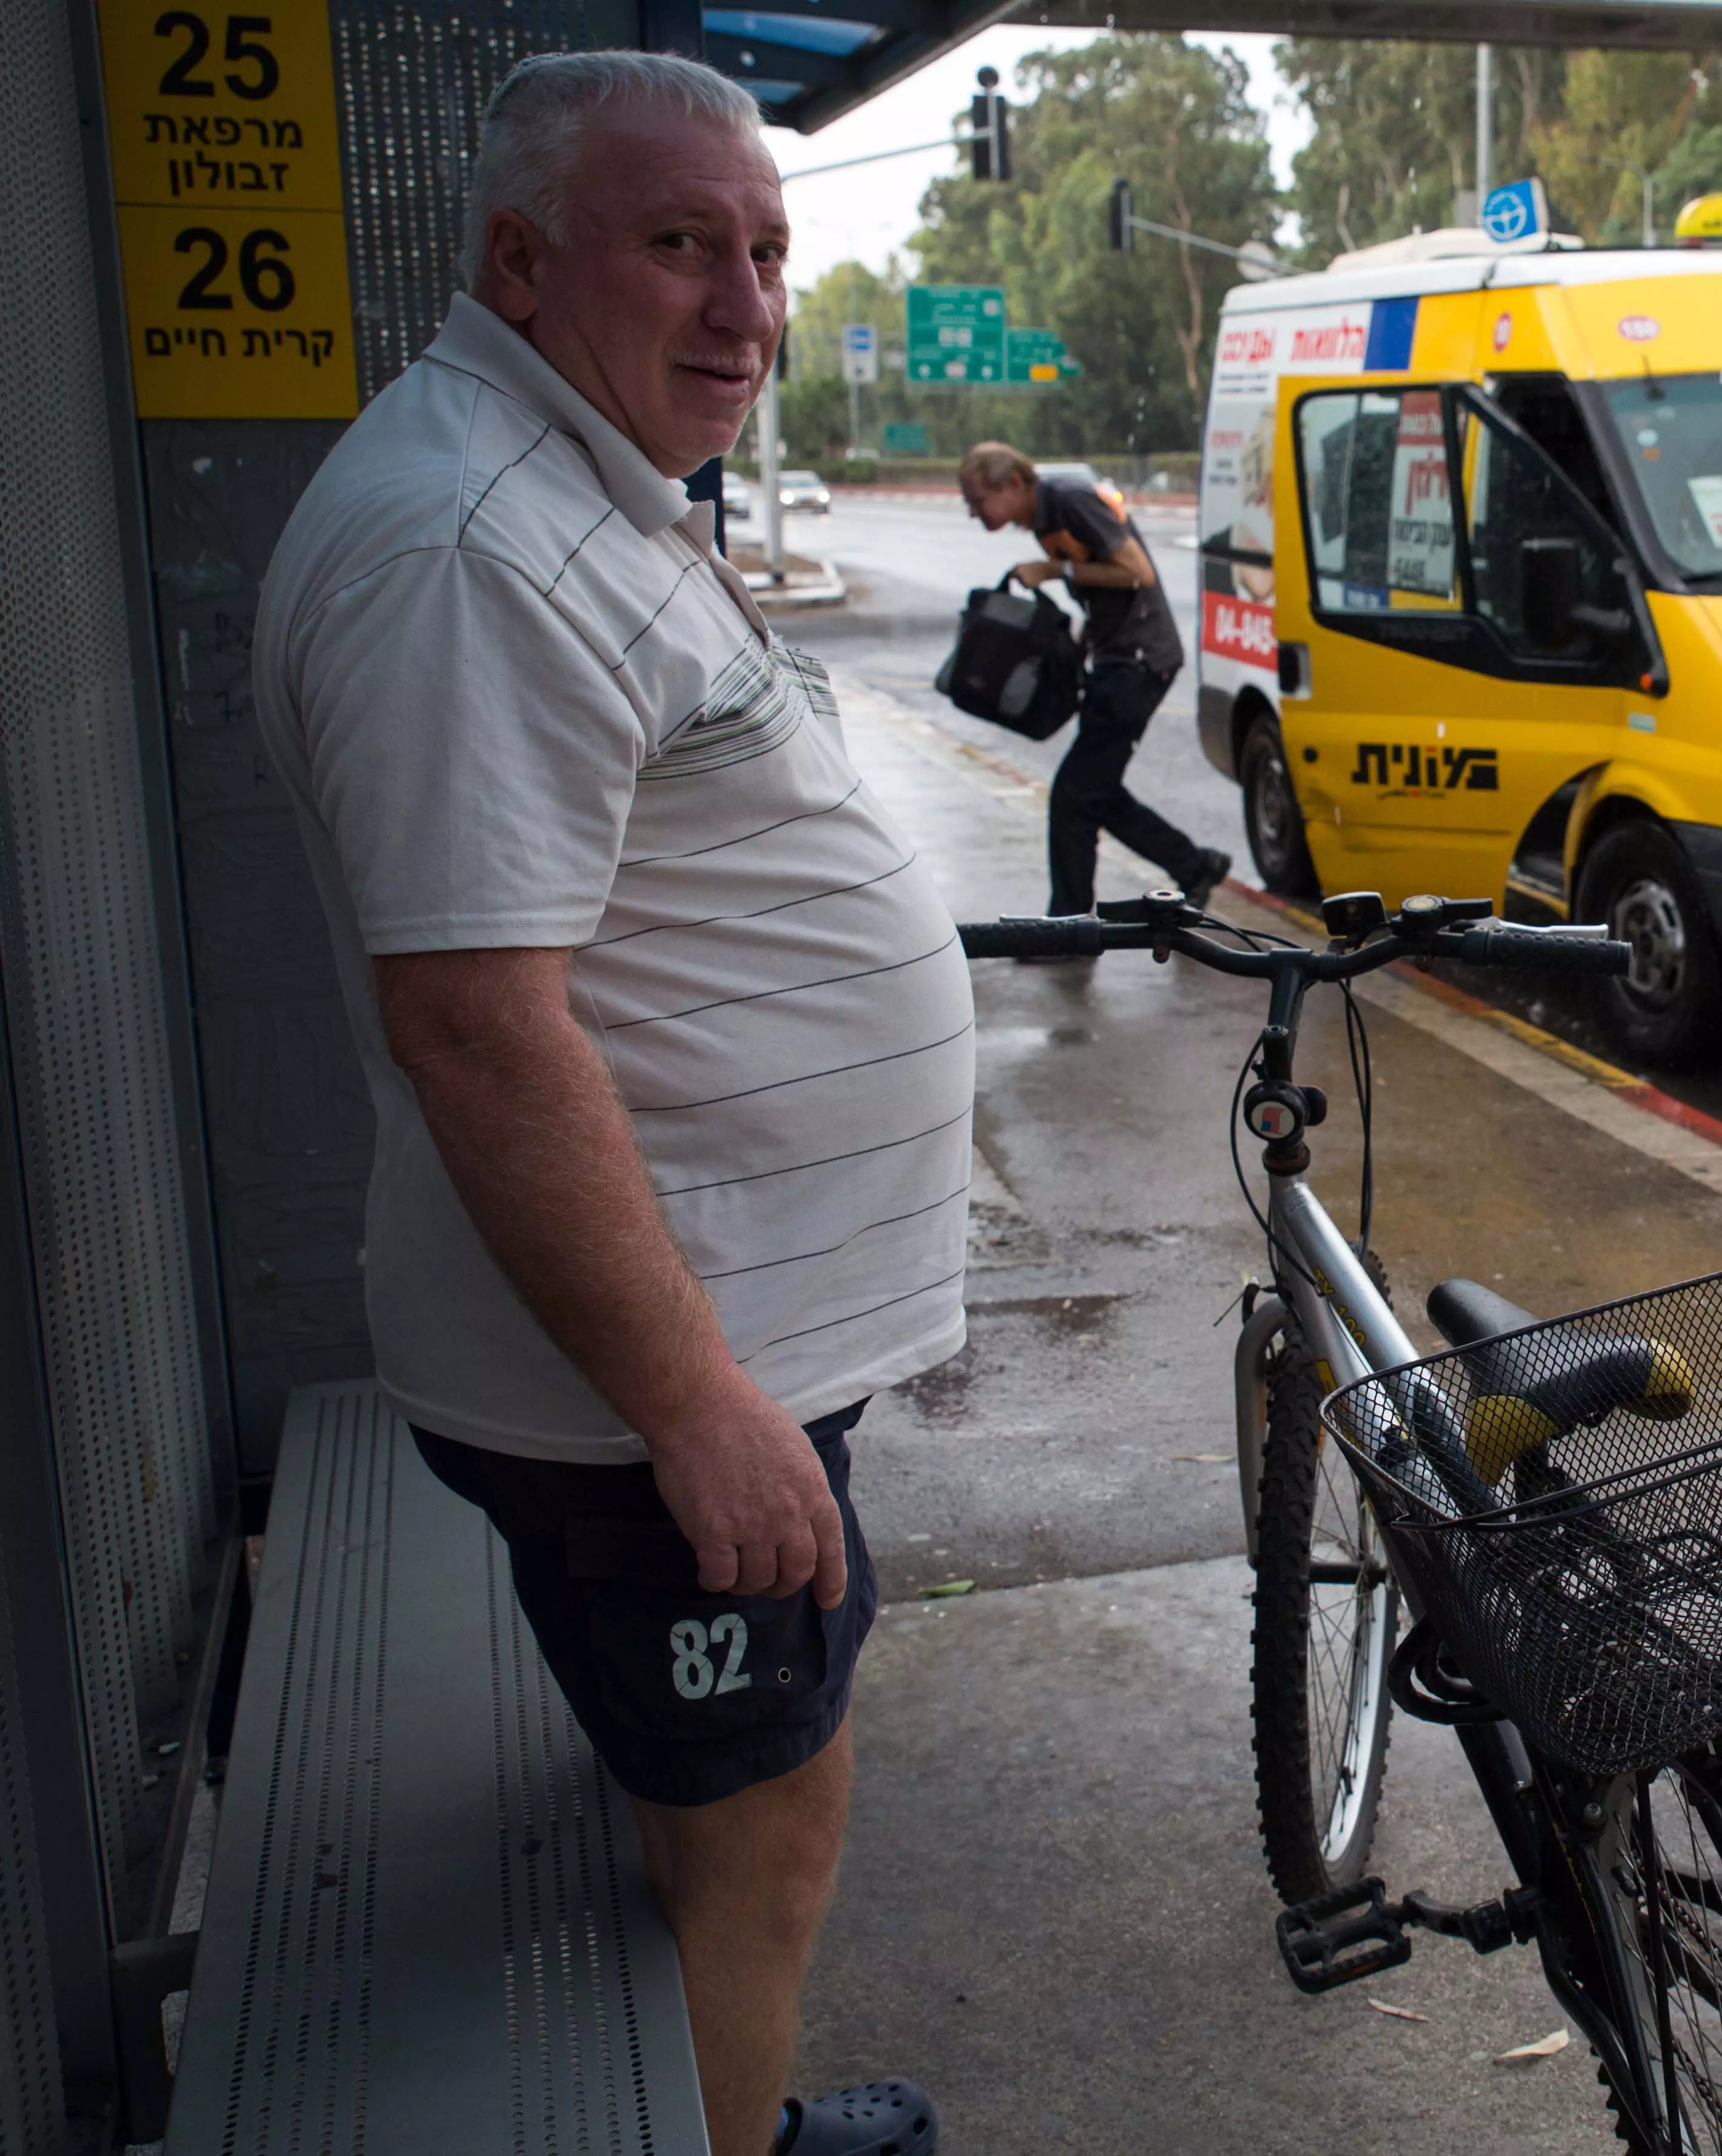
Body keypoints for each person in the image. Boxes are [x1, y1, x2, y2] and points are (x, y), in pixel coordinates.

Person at [250, 52, 957, 2156]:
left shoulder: (556, 482)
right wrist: (699, 1409)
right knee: (766, 1835)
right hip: (648, 1387)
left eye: (764, 251)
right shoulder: (473, 542)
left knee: (720, 1795)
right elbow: (475, 1026)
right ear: (520, 264)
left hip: (688, 1348)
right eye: (681, 247)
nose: (744, 303)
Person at [957, 442, 1229, 924]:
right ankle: (1195, 865)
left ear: (1014, 484)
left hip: (1141, 662)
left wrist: (1055, 569)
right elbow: (1103, 592)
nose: (974, 514)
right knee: (1092, 791)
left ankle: (1069, 927)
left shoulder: (1067, 498)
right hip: (1117, 660)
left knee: (1075, 797)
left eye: (979, 500)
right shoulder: (1045, 517)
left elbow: (1137, 572)